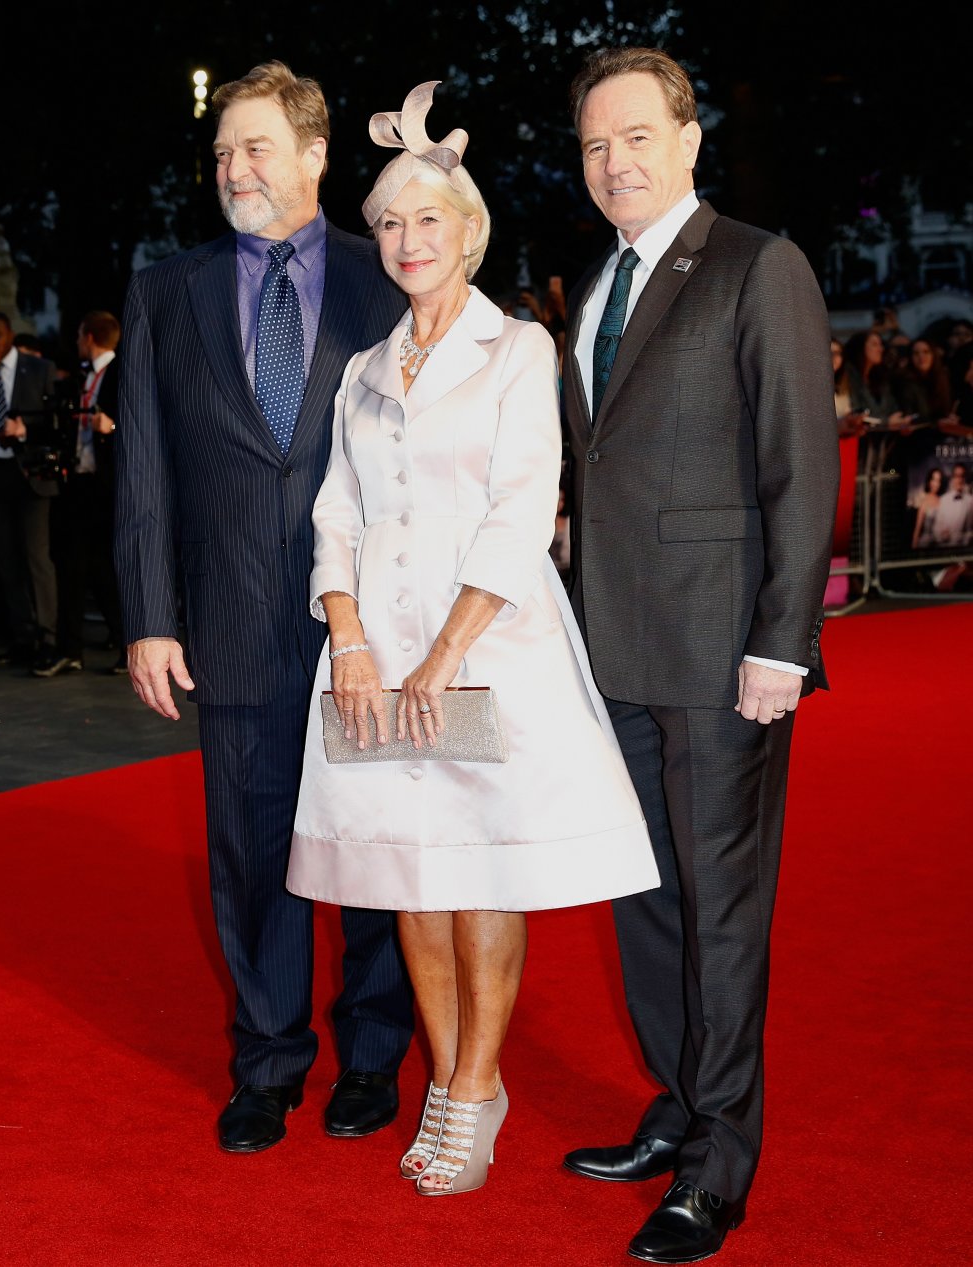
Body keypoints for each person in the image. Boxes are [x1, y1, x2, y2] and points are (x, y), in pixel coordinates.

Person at [285, 81, 659, 1197]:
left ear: (468, 232)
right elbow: (336, 512)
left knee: (481, 873)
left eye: (427, 220)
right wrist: (348, 636)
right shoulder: (359, 370)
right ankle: (451, 1075)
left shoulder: (517, 351)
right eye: (389, 221)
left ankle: (472, 1088)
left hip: (483, 644)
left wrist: (444, 653)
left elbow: (521, 505)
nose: (405, 239)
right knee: (412, 875)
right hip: (373, 657)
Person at [559, 48, 839, 1264]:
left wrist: (783, 641)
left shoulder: (755, 264)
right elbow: (602, 462)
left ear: (686, 138)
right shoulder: (594, 286)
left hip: (724, 655)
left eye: (634, 136)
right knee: (646, 902)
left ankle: (720, 1162)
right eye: (591, 145)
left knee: (722, 912)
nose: (613, 161)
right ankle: (677, 1107)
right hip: (611, 648)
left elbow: (800, 465)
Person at [115, 61, 413, 1156]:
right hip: (230, 622)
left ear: (315, 155)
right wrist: (150, 614)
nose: (234, 168)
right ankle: (268, 1061)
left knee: (382, 845)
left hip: (372, 630)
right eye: (223, 151)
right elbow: (141, 467)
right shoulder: (167, 290)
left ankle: (374, 1055)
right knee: (250, 852)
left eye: (257, 147)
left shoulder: (389, 272)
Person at [37, 311, 127, 677]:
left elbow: (146, 425)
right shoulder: (82, 377)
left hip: (108, 486)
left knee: (102, 569)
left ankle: (123, 643)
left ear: (89, 336)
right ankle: (70, 649)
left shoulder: (122, 372)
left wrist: (114, 426)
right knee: (74, 566)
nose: (75, 342)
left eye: (78, 335)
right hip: (80, 482)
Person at [0, 309, 59, 668]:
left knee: (36, 556)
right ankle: (21, 635)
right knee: (6, 559)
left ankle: (48, 639)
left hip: (31, 472)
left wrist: (24, 431)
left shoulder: (39, 369)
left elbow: (54, 422)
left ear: (8, 334)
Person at [932, 463, 973, 546]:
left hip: (962, 548)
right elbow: (936, 527)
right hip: (943, 548)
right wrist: (941, 535)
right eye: (956, 476)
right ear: (952, 478)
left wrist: (960, 539)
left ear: (965, 478)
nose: (959, 479)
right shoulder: (943, 500)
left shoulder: (970, 501)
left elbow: (970, 531)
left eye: (962, 476)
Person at [911, 467, 944, 549]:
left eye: (938, 481)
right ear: (929, 481)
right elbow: (917, 529)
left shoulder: (942, 500)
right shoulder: (924, 502)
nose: (936, 484)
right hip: (926, 545)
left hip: (940, 544)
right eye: (933, 480)